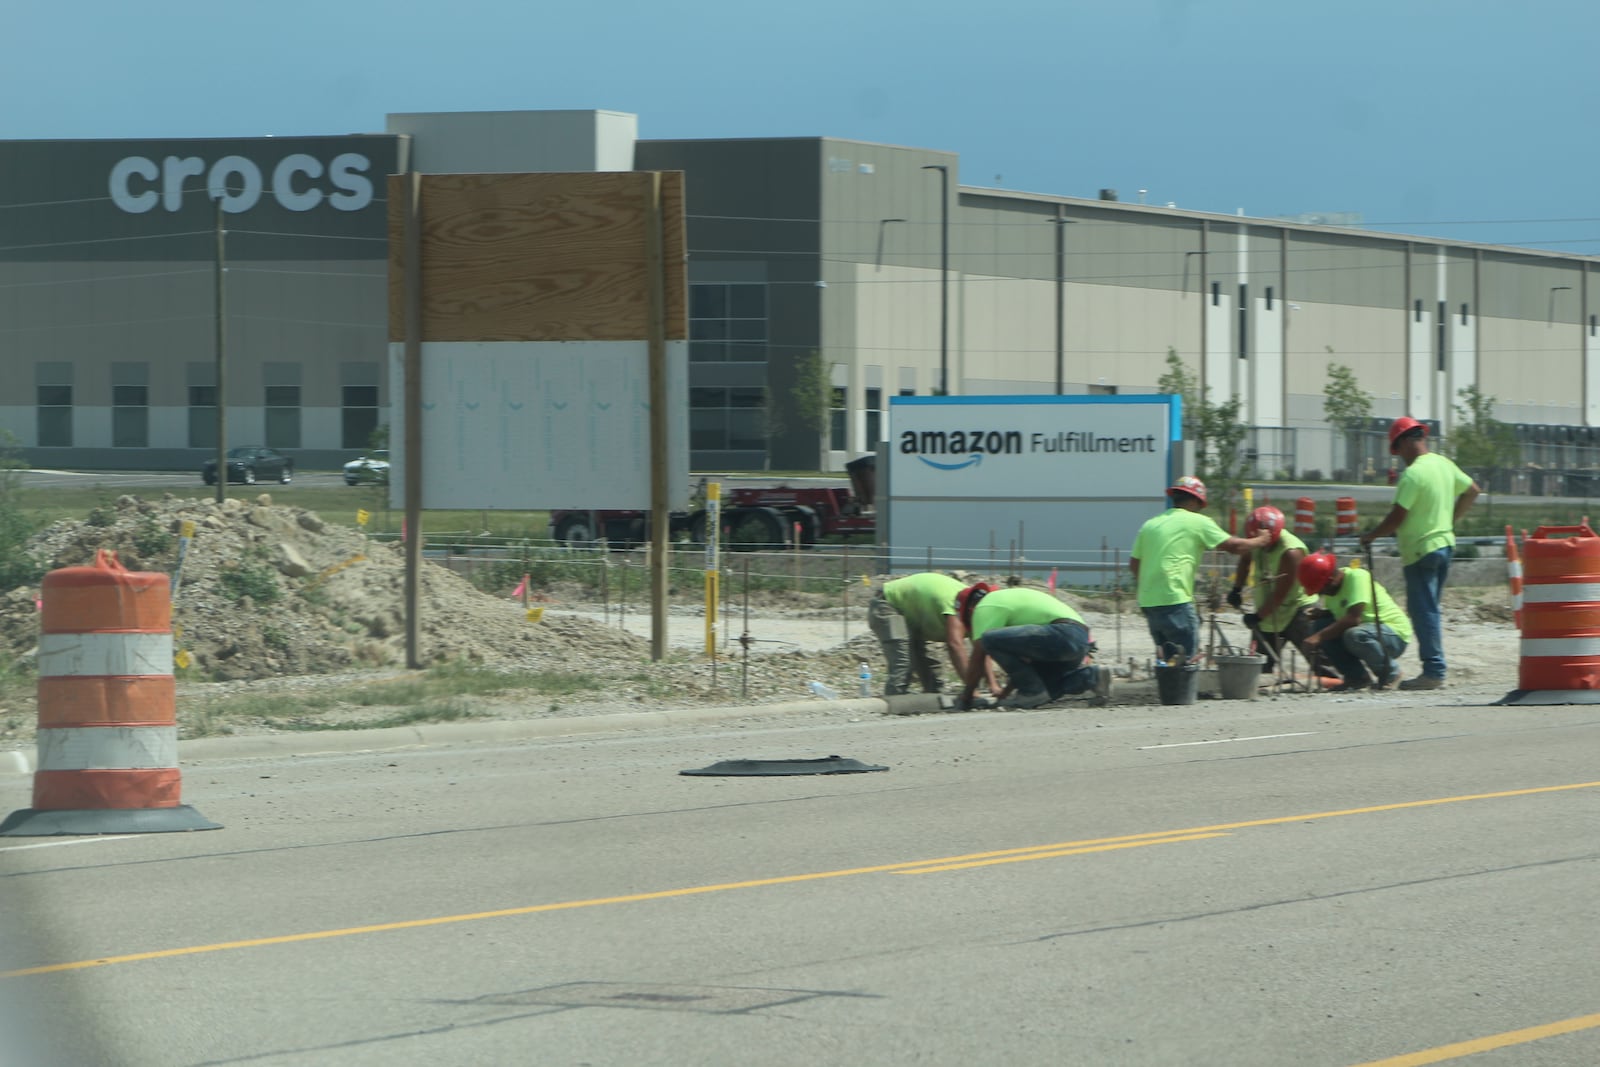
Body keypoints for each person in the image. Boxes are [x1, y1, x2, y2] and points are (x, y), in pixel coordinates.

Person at [1359, 417, 1481, 690]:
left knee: (1423, 612)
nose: (1398, 457)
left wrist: (1371, 535)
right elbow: (1472, 490)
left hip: (1420, 551)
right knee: (1430, 611)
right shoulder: (1443, 464)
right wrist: (1449, 520)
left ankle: (1434, 671)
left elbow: (1397, 517)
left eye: (1396, 449)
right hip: (1444, 545)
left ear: (1403, 442)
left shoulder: (1413, 475)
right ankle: (1435, 667)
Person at [1130, 476, 1272, 663]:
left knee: (1166, 660)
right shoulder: (1197, 521)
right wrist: (1261, 541)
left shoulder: (1150, 524)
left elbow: (1134, 565)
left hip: (1149, 602)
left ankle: (1168, 691)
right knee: (1185, 661)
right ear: (1195, 500)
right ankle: (1183, 692)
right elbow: (1234, 547)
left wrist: (1154, 585)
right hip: (1175, 599)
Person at [954, 583, 1112, 710]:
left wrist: (967, 697)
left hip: (1061, 634)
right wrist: (1006, 694)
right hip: (1079, 640)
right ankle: (1093, 676)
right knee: (1046, 691)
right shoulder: (1008, 602)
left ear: (970, 610)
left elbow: (978, 657)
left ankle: (1032, 691)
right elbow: (1022, 664)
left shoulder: (984, 607)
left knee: (988, 639)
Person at [1297, 552, 1412, 691]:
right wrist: (1322, 614)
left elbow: (1353, 618)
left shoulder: (1357, 577)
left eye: (1321, 590)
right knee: (1321, 625)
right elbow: (1343, 612)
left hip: (1393, 634)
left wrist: (1317, 637)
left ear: (1331, 579)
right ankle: (1357, 678)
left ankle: (1391, 674)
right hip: (1369, 632)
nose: (1321, 594)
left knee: (1353, 634)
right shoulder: (1334, 590)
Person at [867, 572, 997, 696]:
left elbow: (981, 651)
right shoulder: (953, 605)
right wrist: (972, 691)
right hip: (887, 603)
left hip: (911, 609)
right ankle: (894, 698)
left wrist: (993, 685)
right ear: (972, 610)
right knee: (903, 660)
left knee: (920, 659)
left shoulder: (975, 607)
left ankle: (932, 695)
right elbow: (955, 646)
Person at [1227, 505, 1320, 671]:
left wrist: (1257, 616)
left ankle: (1349, 679)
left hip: (1296, 608)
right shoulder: (1256, 541)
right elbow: (1245, 560)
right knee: (1257, 667)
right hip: (1269, 612)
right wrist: (1237, 588)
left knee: (1319, 660)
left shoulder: (1291, 551)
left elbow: (1281, 593)